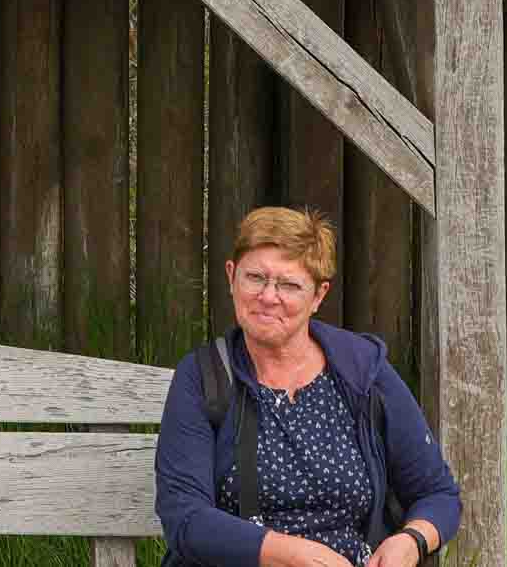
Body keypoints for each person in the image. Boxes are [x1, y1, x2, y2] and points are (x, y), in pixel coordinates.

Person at [156, 207, 461, 567]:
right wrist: (290, 554)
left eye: (289, 285)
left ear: (318, 296)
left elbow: (437, 494)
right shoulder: (204, 376)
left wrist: (412, 541)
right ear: (231, 276)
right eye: (255, 277)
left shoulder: (362, 370)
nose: (268, 296)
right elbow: (185, 517)